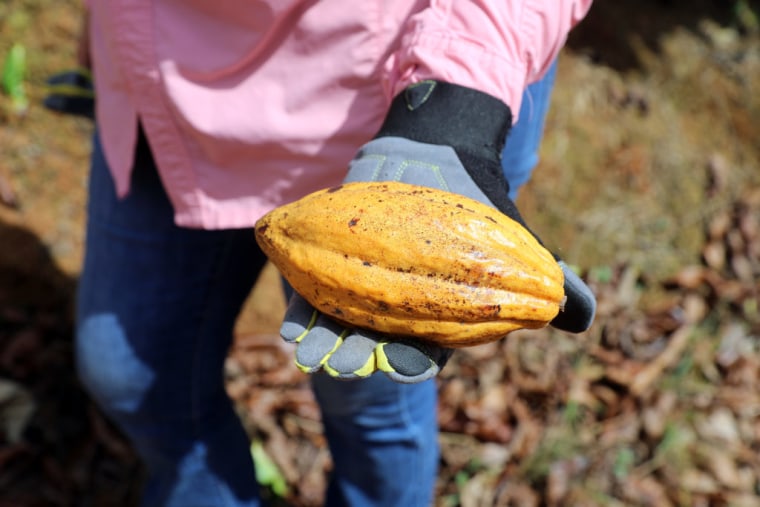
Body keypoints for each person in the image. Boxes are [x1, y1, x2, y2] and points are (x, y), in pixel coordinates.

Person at [73, 1, 597, 506]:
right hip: (170, 74)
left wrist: (456, 105)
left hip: (412, 78)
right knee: (129, 371)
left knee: (370, 397)